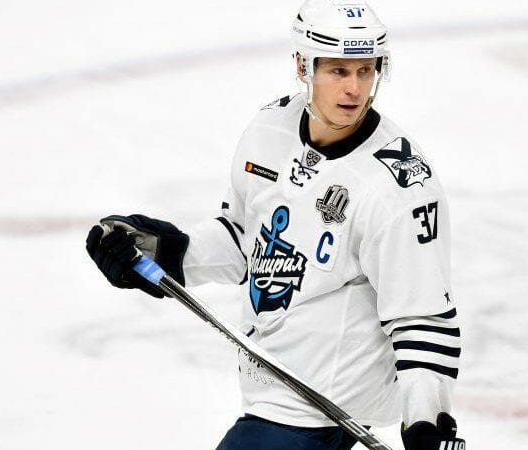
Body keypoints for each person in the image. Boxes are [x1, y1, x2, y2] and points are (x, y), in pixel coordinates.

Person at [85, 1, 464, 449]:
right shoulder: (270, 129)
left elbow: (422, 316)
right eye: (338, 71)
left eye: (365, 71)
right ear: (303, 66)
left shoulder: (397, 185)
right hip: (269, 393)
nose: (355, 88)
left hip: (326, 409)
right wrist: (168, 254)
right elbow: (246, 238)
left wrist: (426, 423)